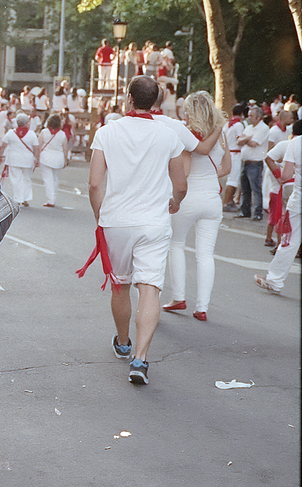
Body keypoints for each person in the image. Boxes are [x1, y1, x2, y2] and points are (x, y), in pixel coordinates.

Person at [85, 76, 187, 385]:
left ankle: (123, 341)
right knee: (150, 288)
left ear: (129, 98)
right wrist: (175, 202)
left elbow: (93, 184)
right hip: (154, 221)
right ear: (156, 101)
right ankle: (140, 358)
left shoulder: (106, 132)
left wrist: (99, 214)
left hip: (117, 220)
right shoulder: (168, 134)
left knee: (121, 286)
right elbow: (181, 183)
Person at [162, 91, 231, 322]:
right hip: (212, 199)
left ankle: (179, 297)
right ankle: (202, 307)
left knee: (177, 244)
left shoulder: (187, 135)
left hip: (189, 198)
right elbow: (227, 167)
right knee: (205, 254)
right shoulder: (221, 134)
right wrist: (211, 177)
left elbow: (185, 171)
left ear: (191, 111)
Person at [254, 120, 302, 294]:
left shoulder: (295, 143)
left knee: (289, 241)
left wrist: (281, 175)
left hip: (298, 198)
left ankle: (275, 280)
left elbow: (286, 175)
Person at [236, 107, 270, 220]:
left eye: (251, 115)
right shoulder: (249, 128)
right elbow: (239, 141)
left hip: (255, 162)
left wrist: (245, 139)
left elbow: (254, 143)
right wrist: (246, 138)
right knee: (245, 187)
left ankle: (257, 212)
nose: (249, 118)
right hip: (245, 160)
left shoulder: (263, 128)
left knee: (255, 188)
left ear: (258, 117)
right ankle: (245, 210)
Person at [1, 113, 38, 206]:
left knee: (16, 179)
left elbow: (3, 145)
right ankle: (26, 198)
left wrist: (0, 155)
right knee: (26, 178)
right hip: (27, 159)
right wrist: (37, 158)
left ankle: (18, 198)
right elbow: (36, 148)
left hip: (14, 159)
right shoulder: (31, 134)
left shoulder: (10, 133)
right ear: (26, 123)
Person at [38, 114, 69, 208]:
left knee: (48, 179)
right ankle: (53, 197)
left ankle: (50, 199)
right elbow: (65, 148)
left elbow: (39, 145)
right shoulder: (62, 134)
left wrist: (37, 156)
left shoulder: (44, 132)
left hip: (45, 157)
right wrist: (66, 159)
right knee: (55, 179)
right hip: (58, 157)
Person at [222, 104, 248, 212]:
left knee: (231, 178)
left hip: (227, 152)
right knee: (233, 179)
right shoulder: (238, 125)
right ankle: (226, 202)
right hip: (235, 153)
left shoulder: (227, 124)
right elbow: (240, 140)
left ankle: (230, 201)